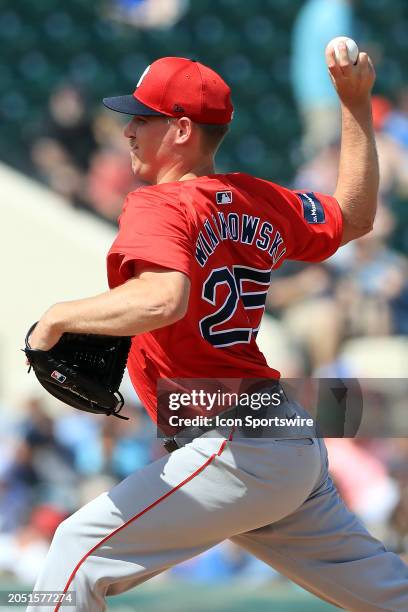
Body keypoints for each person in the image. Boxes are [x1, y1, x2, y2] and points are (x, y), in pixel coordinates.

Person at [27, 50, 408, 612]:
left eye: (143, 118)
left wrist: (58, 316)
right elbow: (354, 215)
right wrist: (354, 105)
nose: (128, 130)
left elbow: (164, 297)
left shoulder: (158, 204)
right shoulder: (256, 198)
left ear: (181, 130)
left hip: (236, 441)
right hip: (280, 435)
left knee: (74, 553)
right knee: (388, 594)